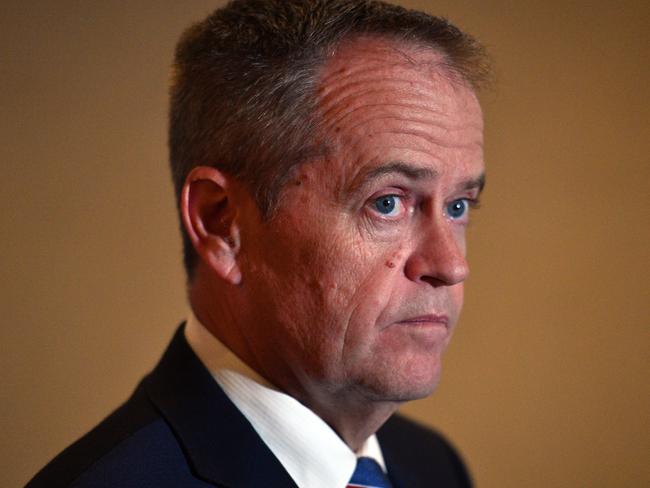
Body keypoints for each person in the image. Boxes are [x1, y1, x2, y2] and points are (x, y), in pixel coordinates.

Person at [27, 0, 489, 486]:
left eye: (459, 206)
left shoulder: (435, 467)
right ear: (223, 224)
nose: (451, 264)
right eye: (388, 203)